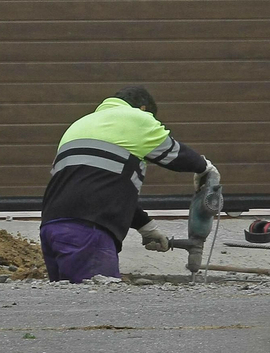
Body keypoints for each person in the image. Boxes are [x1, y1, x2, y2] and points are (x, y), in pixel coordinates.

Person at [39, 86, 217, 283]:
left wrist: (146, 227)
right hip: (89, 231)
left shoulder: (79, 125)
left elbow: (100, 188)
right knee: (95, 304)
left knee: (66, 305)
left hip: (52, 228)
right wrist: (205, 168)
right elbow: (175, 154)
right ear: (142, 109)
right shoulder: (136, 118)